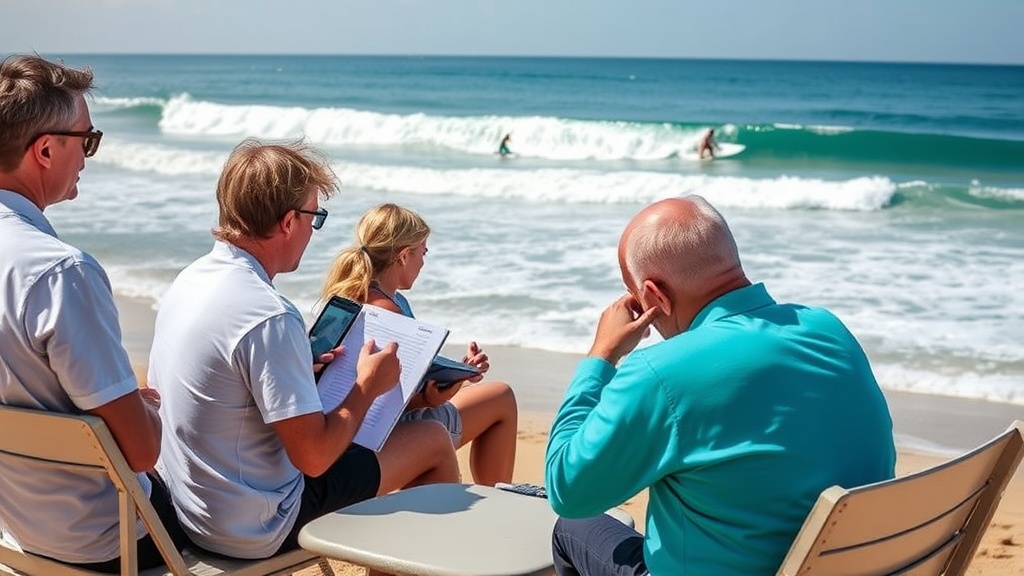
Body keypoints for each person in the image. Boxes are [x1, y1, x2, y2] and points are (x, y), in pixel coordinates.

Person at [545, 195, 896, 575]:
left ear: (655, 296)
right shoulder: (829, 329)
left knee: (573, 528)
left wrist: (601, 357)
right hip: (856, 566)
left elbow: (568, 489)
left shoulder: (659, 373)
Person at [148, 140, 460, 560]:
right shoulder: (268, 314)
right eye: (315, 217)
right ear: (290, 221)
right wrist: (367, 386)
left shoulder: (192, 279)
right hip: (254, 524)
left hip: (188, 504)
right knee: (432, 438)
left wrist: (302, 369)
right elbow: (314, 458)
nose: (313, 233)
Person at [0, 54, 187, 571]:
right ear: (44, 150)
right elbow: (144, 453)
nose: (87, 156)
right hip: (108, 540)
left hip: (17, 526)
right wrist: (146, 411)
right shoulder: (61, 273)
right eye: (87, 141)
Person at [321, 203, 518, 486]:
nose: (423, 262)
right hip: (401, 429)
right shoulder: (390, 313)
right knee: (502, 398)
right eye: (422, 253)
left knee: (497, 395)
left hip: (351, 422)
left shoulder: (349, 294)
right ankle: (498, 499)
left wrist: (456, 372)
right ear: (404, 255)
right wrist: (432, 396)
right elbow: (387, 406)